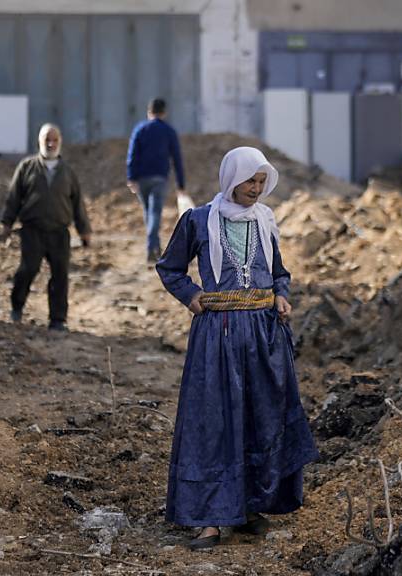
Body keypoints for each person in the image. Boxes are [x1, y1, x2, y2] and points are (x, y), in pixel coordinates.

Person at [156, 146, 319, 550]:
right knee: (214, 422)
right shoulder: (198, 220)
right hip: (219, 335)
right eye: (250, 180)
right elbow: (170, 268)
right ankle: (209, 518)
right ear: (231, 179)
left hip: (264, 336)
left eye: (262, 181)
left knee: (260, 418)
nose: (256, 188)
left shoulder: (265, 221)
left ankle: (249, 509)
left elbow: (279, 272)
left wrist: (281, 294)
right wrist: (192, 296)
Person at [1, 124, 91, 331]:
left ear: (60, 142)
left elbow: (77, 204)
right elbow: (13, 197)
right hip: (32, 231)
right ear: (39, 142)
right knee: (28, 269)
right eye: (46, 140)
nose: (50, 144)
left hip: (59, 232)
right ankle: (16, 307)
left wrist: (84, 230)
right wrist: (7, 222)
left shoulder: (68, 172)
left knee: (60, 274)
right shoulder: (27, 167)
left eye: (55, 140)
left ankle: (57, 319)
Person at [127, 98, 186, 262]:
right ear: (164, 112)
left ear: (149, 111)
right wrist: (181, 184)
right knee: (154, 214)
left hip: (141, 179)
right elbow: (177, 159)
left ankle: (155, 248)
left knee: (149, 213)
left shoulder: (140, 129)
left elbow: (132, 154)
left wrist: (131, 177)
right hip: (159, 178)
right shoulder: (168, 131)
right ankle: (151, 249)